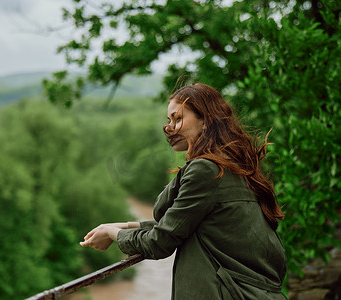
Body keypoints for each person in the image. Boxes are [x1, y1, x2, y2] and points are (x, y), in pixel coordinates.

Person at [80, 83, 287, 299]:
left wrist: (114, 235)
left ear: (206, 121)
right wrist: (128, 225)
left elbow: (160, 242)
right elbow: (191, 224)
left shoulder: (205, 170)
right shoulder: (234, 165)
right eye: (169, 120)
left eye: (178, 119)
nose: (170, 128)